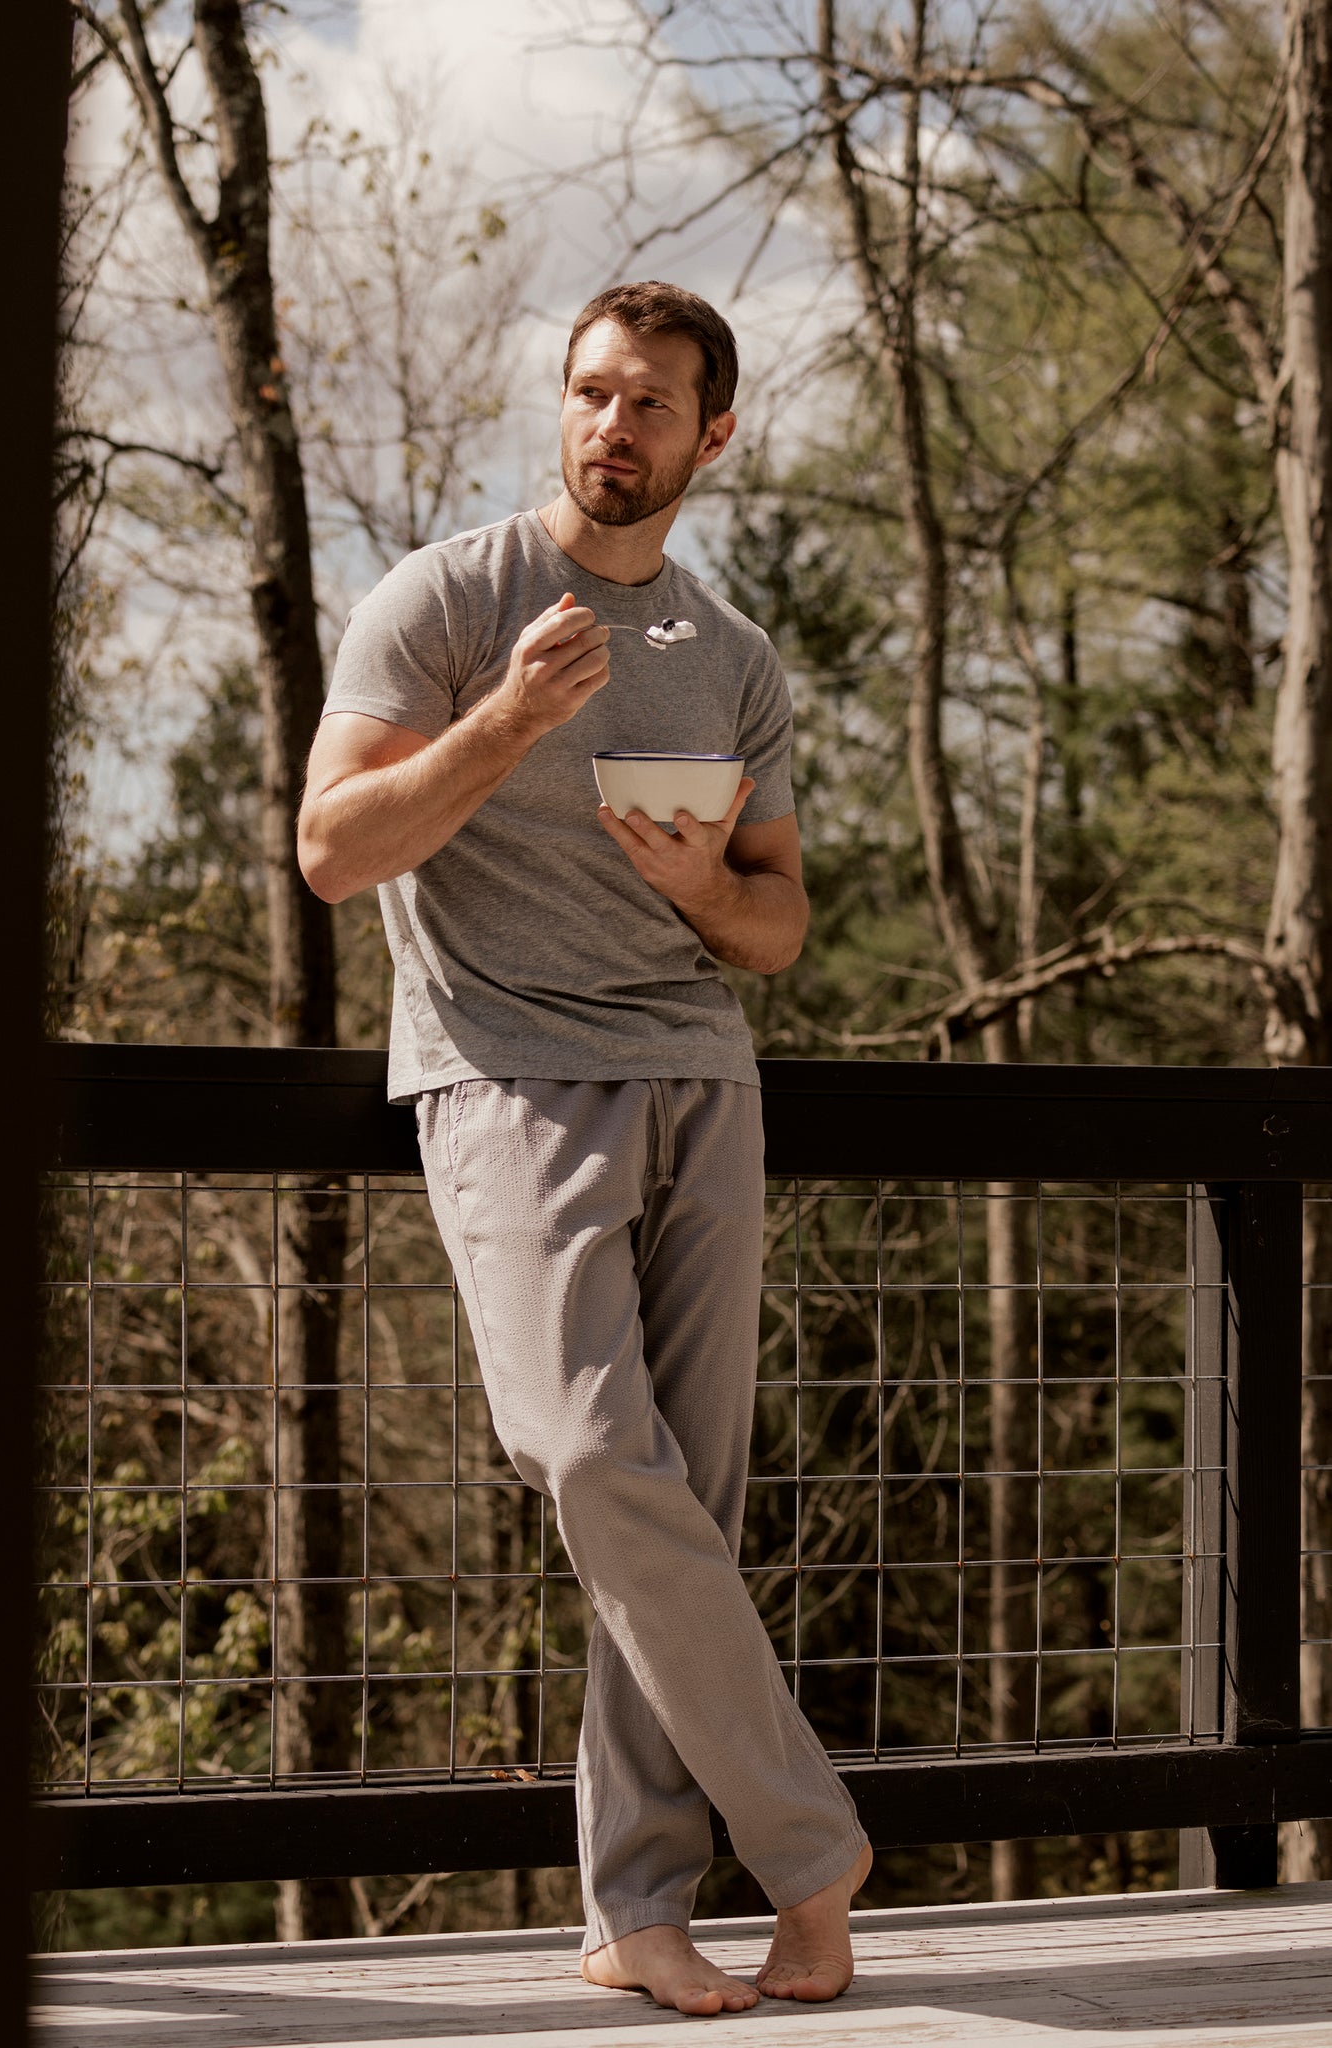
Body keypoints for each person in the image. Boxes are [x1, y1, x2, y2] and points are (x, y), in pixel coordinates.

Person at [297, 281, 871, 2016]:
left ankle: (638, 1906)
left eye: (652, 403)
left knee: (682, 1506)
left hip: (703, 1078)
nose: (614, 425)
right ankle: (813, 1847)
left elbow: (778, 924)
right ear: (563, 403)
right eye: (593, 392)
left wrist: (704, 887)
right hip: (506, 1077)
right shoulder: (448, 599)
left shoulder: (732, 658)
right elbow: (331, 850)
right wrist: (504, 726)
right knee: (594, 1457)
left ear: (714, 434)